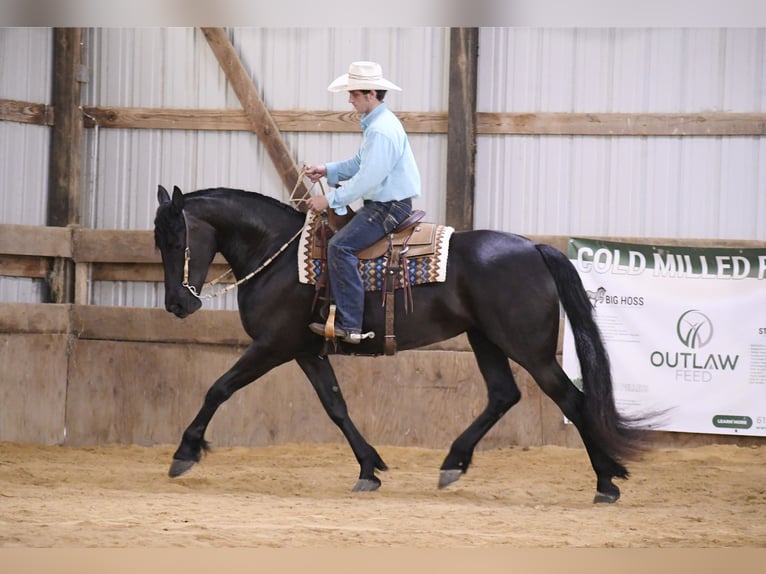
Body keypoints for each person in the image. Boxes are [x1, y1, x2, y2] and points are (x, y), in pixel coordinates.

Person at [305, 61, 421, 344]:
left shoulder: (381, 130)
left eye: (354, 94)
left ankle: (350, 325)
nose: (349, 99)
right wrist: (328, 170)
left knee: (340, 246)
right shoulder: (378, 125)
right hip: (386, 203)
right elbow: (360, 163)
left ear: (371, 94)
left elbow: (368, 179)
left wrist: (328, 199)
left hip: (387, 206)